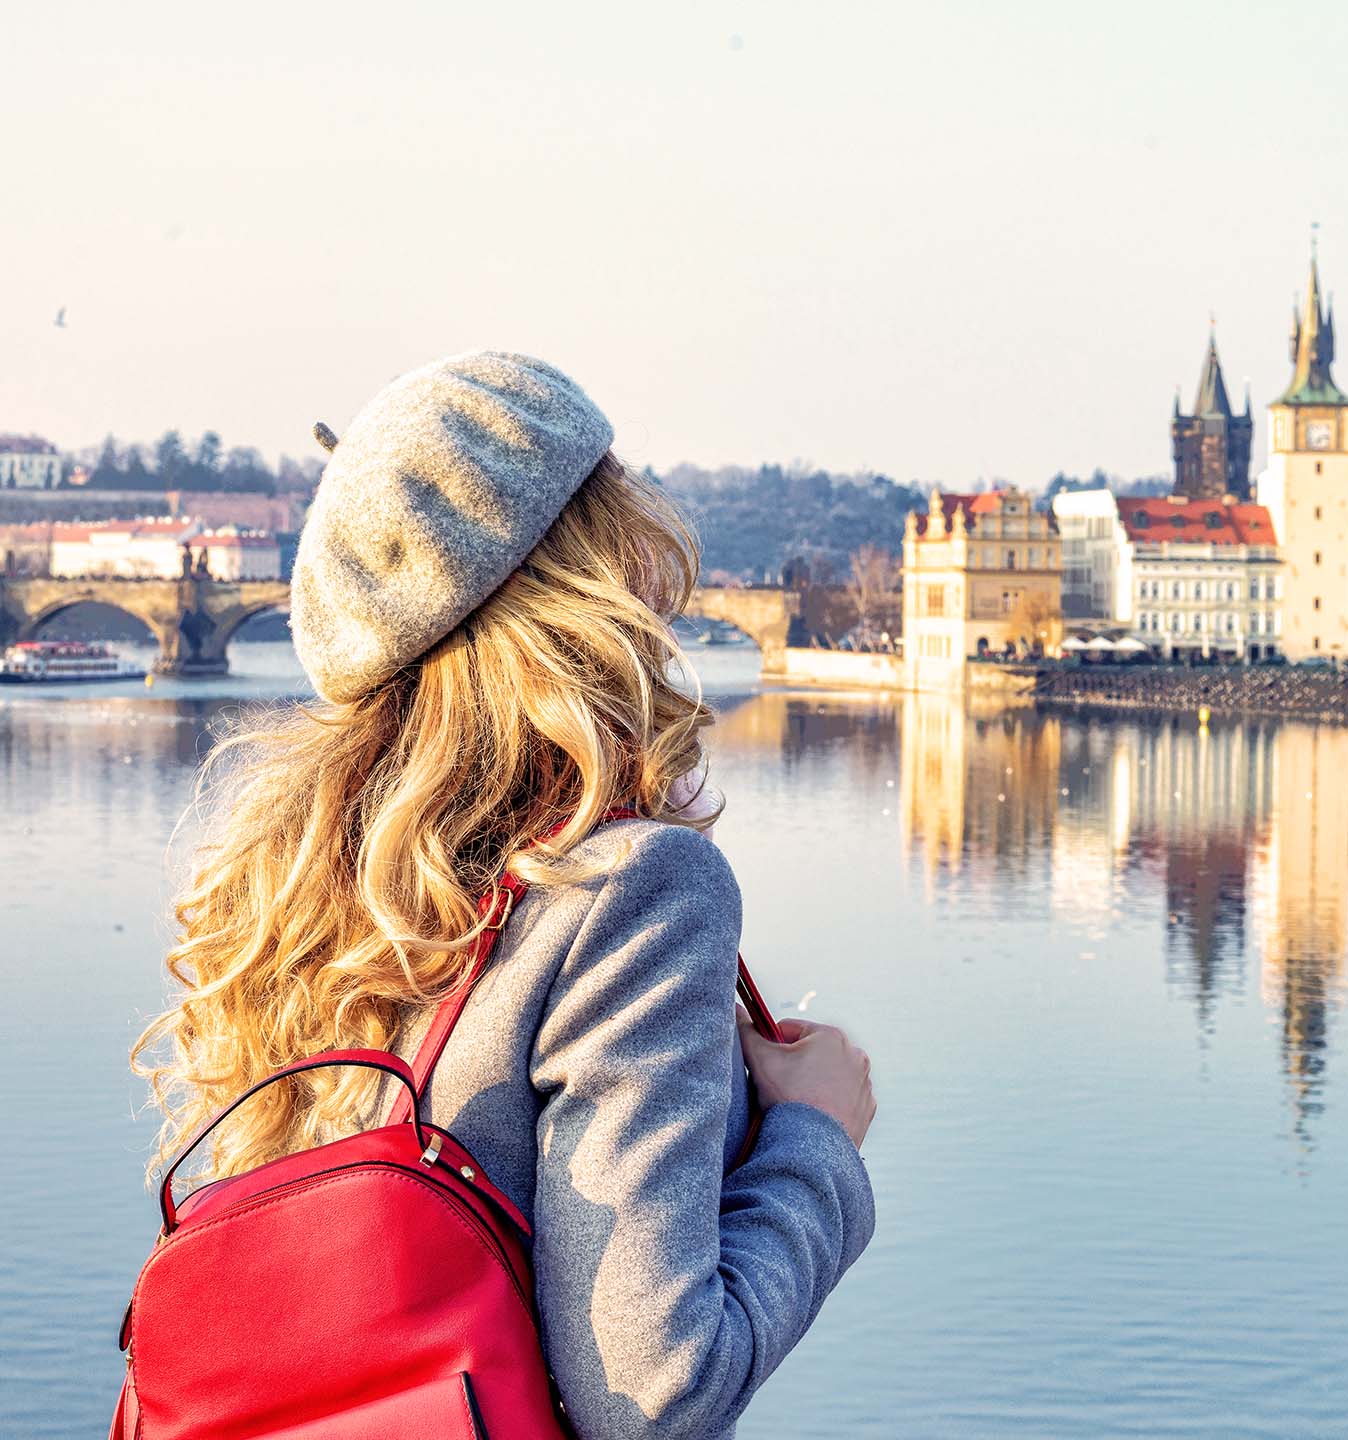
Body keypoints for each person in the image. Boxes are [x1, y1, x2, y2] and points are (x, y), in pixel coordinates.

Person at [133, 351, 877, 1438]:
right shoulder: (636, 890)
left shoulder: (299, 895)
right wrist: (816, 1137)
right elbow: (652, 1394)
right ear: (590, 571)